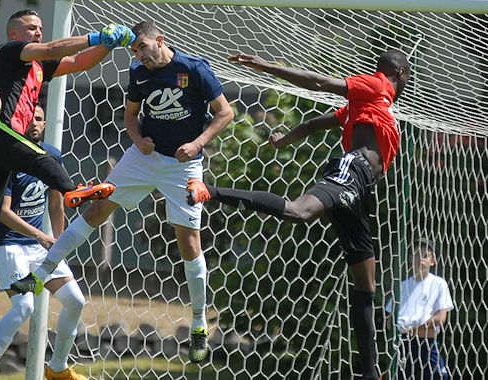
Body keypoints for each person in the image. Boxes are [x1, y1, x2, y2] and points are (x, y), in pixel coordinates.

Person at [10, 21, 234, 363]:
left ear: (160, 40)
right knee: (95, 212)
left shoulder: (194, 69)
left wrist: (198, 143)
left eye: (143, 46)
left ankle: (200, 323)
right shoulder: (138, 74)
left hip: (183, 165)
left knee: (189, 243)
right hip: (144, 158)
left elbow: (225, 112)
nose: (139, 55)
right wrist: (137, 138)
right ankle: (41, 275)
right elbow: (130, 115)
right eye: (134, 50)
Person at [186, 50, 411, 379]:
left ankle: (370, 373)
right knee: (298, 212)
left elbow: (314, 123)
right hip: (351, 172)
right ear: (402, 74)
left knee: (366, 284)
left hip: (362, 191)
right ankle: (211, 191)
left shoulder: (371, 105)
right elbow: (320, 82)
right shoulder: (376, 86)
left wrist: (283, 141)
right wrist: (266, 66)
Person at [0, 9, 134, 345]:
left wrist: (109, 45)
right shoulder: (9, 52)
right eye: (31, 28)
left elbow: (77, 63)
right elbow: (54, 49)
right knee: (44, 157)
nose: (38, 33)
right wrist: (98, 35)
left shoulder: (37, 67)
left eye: (40, 28)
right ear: (14, 34)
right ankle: (72, 192)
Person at [0, 106, 88, 380]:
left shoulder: (52, 155)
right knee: (24, 307)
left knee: (75, 300)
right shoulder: (9, 159)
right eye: (28, 118)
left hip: (39, 245)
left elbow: (57, 206)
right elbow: (3, 212)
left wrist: (59, 245)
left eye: (38, 118)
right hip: (7, 243)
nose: (33, 123)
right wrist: (40, 236)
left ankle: (57, 369)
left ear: (45, 123)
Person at [385, 239, 453, 380]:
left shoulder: (439, 284)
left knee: (440, 377)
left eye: (425, 255)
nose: (420, 259)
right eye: (416, 255)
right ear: (410, 259)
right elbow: (389, 322)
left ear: (432, 261)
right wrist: (412, 329)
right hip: (402, 346)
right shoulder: (401, 286)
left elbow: (440, 319)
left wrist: (409, 328)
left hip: (427, 345)